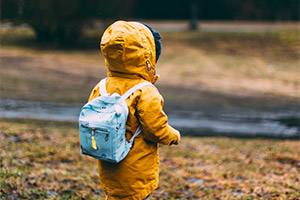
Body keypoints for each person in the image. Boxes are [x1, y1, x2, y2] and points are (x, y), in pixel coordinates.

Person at [87, 20, 181, 200]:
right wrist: (174, 136)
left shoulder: (102, 87)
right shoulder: (145, 92)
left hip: (108, 165)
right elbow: (156, 129)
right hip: (135, 169)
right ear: (147, 58)